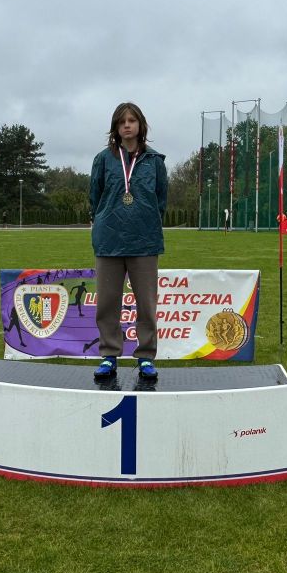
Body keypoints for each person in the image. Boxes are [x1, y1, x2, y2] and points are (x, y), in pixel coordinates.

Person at [89, 101, 167, 381]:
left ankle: (145, 356)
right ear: (115, 127)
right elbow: (95, 198)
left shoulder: (155, 161)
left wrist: (145, 221)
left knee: (146, 303)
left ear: (140, 125)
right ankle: (109, 355)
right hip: (109, 241)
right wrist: (104, 221)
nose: (127, 125)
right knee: (107, 303)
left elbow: (161, 200)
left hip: (144, 241)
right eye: (122, 122)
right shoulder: (103, 159)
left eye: (132, 120)